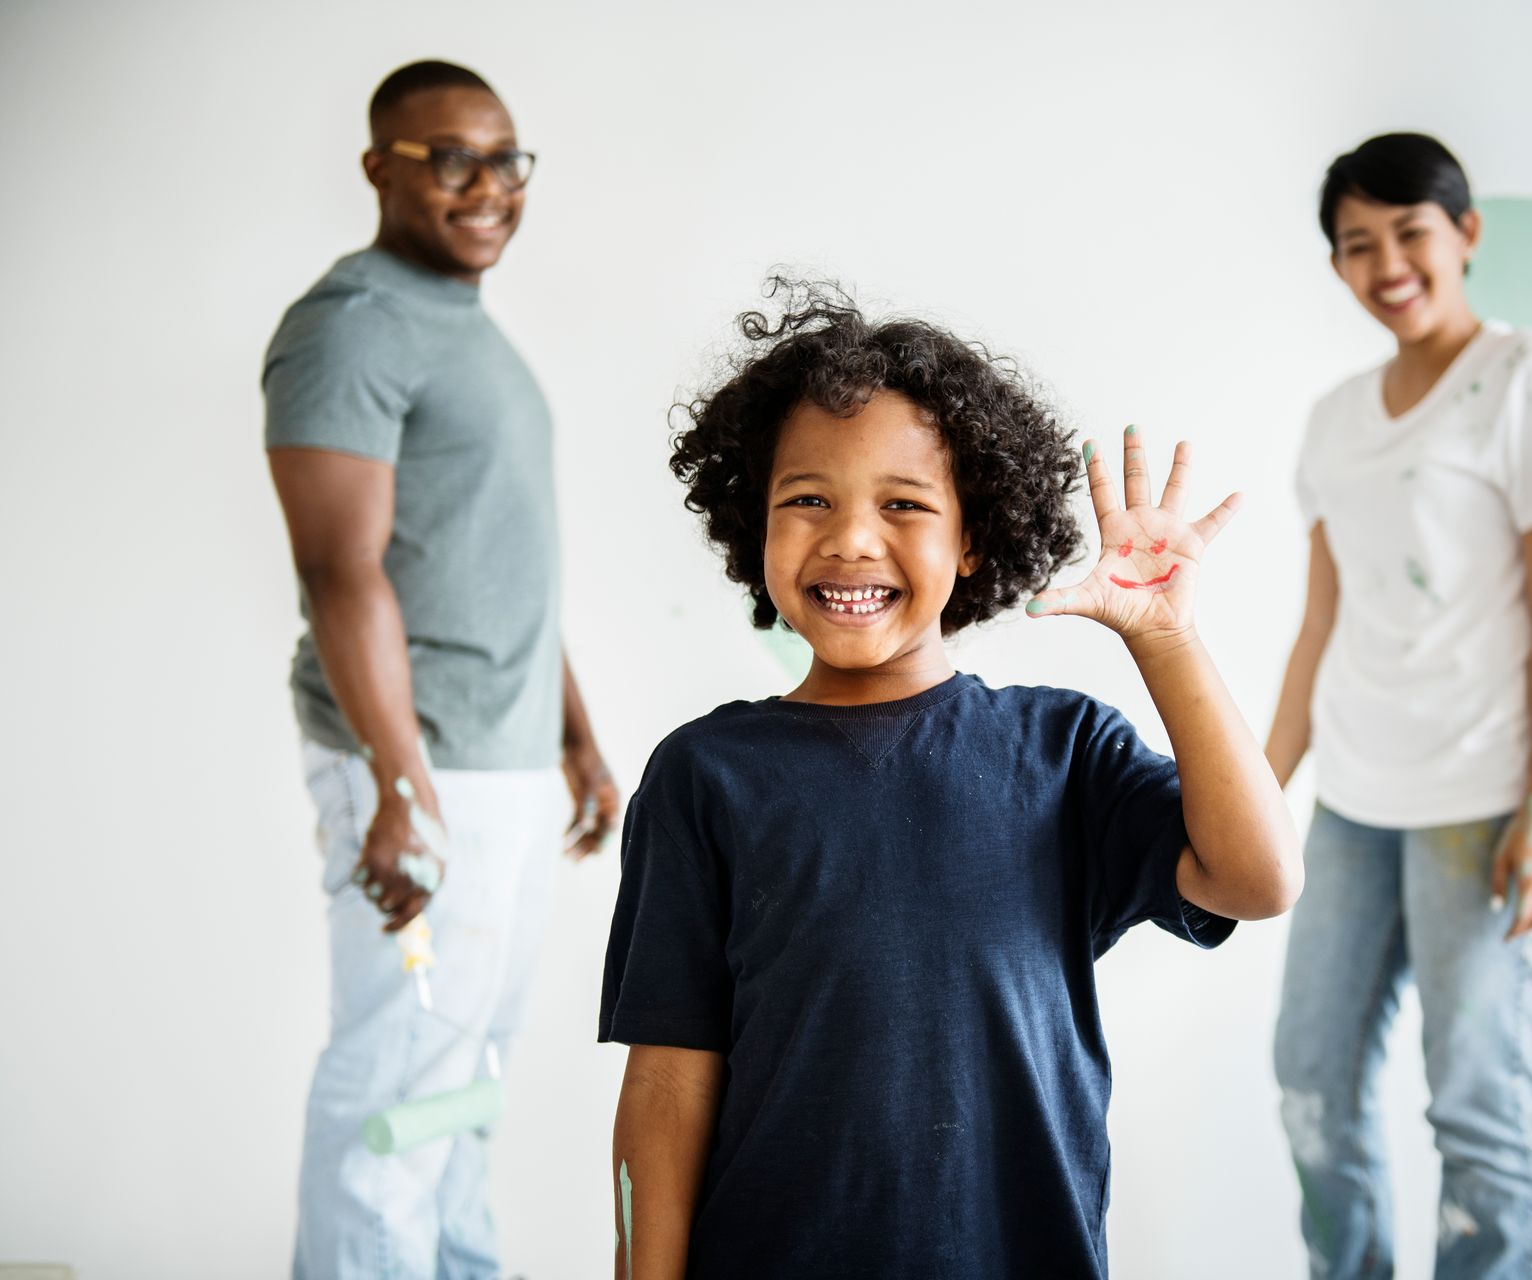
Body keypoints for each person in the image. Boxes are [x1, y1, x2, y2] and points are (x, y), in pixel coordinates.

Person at [598, 283, 1302, 1277]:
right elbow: (667, 1081)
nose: (849, 538)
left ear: (970, 537)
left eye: (902, 504)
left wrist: (1166, 636)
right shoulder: (704, 775)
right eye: (806, 498)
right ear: (753, 519)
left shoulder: (1062, 751)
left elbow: (1257, 878)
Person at [263, 60, 618, 1280]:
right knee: (396, 1072)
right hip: (421, 763)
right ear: (379, 169)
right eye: (450, 159)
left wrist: (572, 732)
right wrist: (401, 783)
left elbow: (491, 555)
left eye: (506, 158)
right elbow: (340, 571)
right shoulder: (351, 322)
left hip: (501, 760)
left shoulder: (466, 328)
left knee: (465, 1072)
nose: (488, 187)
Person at [1268, 133, 1532, 1278]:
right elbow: (1316, 622)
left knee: (1473, 1109)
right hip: (1352, 796)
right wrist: (1250, 791)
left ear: (1464, 233)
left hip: (1478, 797)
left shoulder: (1516, 381)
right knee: (1310, 1086)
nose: (1385, 263)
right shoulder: (1332, 419)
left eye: (1407, 231)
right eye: (1354, 243)